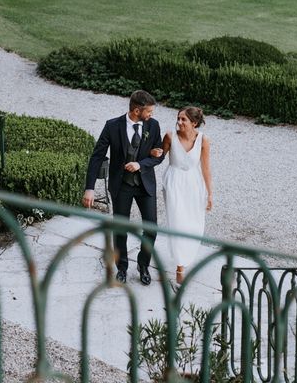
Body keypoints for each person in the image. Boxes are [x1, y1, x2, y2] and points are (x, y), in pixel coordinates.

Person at [82, 90, 164, 286]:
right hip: (122, 185)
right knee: (120, 228)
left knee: (151, 228)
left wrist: (142, 164)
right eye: (149, 112)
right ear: (137, 110)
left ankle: (143, 266)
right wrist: (89, 188)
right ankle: (122, 267)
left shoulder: (153, 126)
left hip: (145, 184)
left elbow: (159, 154)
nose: (151, 115)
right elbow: (97, 156)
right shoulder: (112, 126)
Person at [151, 106, 213, 285]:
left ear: (194, 123)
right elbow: (159, 157)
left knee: (194, 224)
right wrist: (153, 152)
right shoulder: (170, 136)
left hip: (194, 184)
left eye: (183, 120)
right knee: (177, 222)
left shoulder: (203, 140)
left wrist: (210, 194)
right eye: (178, 118)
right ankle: (180, 266)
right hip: (174, 183)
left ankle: (186, 257)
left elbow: (206, 168)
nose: (179, 122)